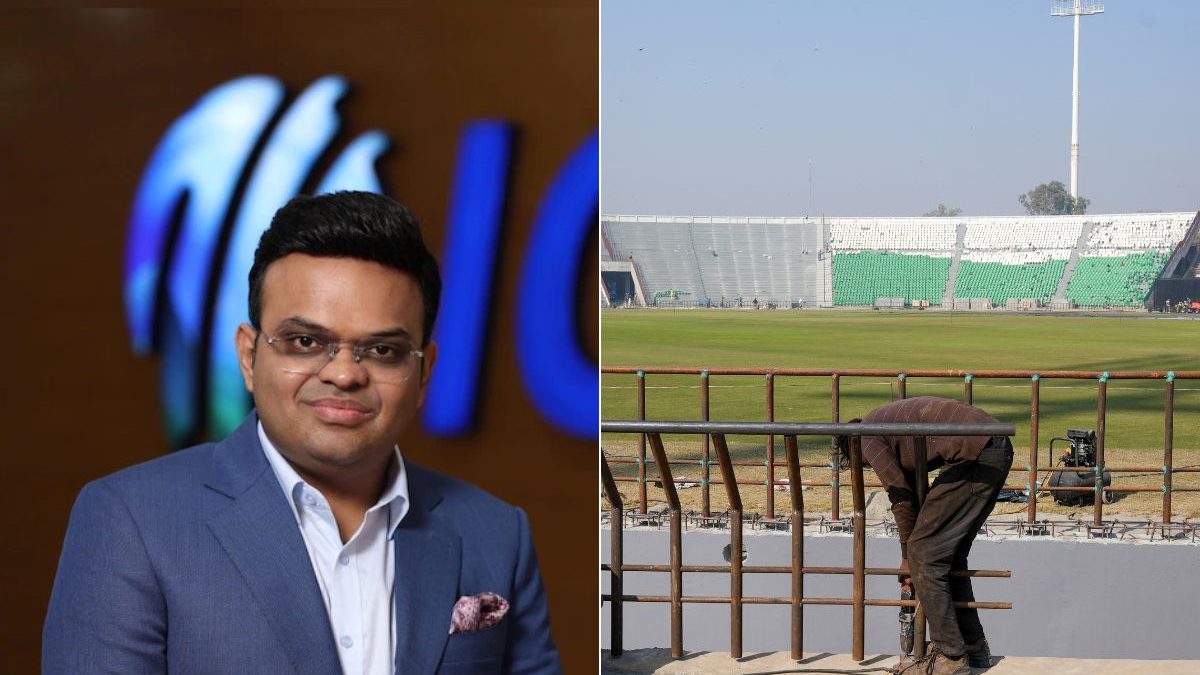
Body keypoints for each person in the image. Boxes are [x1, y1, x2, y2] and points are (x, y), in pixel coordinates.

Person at [44, 192, 561, 674]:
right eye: (306, 341)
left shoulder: (498, 533)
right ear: (249, 356)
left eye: (382, 350)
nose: (343, 373)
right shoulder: (131, 520)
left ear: (424, 373)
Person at [836, 396, 1012, 675]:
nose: (869, 466)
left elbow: (901, 496)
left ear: (852, 448)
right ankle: (973, 646)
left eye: (865, 464)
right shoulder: (882, 422)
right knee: (947, 555)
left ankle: (951, 655)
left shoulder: (867, 437)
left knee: (924, 554)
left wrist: (907, 556)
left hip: (977, 452)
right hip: (989, 447)